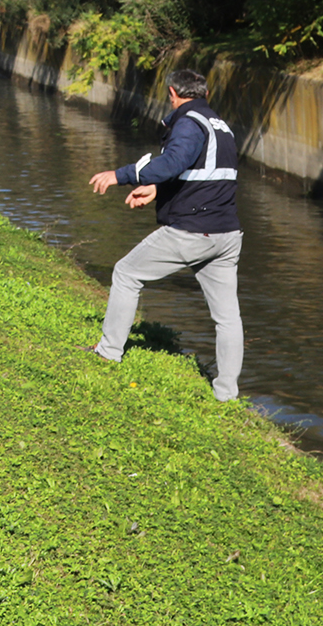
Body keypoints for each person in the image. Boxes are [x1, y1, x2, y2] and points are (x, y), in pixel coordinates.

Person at [86, 67, 244, 401]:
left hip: (192, 230)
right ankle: (227, 394)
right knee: (227, 317)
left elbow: (172, 162)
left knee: (127, 273)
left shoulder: (188, 122)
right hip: (227, 233)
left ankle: (109, 350)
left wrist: (123, 175)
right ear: (205, 94)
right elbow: (205, 174)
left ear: (172, 93)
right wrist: (157, 192)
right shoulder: (221, 125)